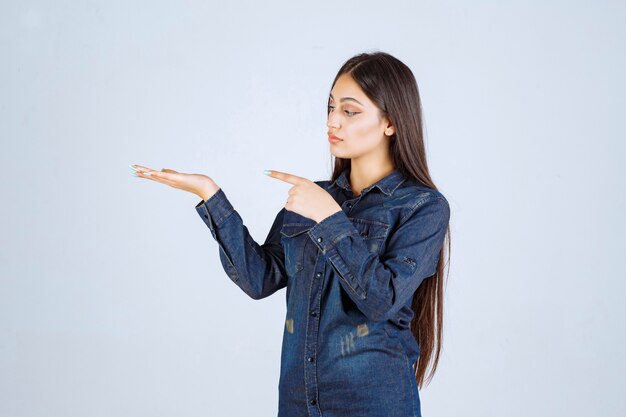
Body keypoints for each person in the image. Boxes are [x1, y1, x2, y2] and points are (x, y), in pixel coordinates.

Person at [131, 51, 451, 417]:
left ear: (390, 123)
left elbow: (381, 299)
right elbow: (259, 279)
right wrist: (210, 195)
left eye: (350, 111)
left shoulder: (423, 207)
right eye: (330, 107)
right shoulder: (313, 197)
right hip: (300, 402)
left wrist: (329, 217)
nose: (333, 121)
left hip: (374, 402)